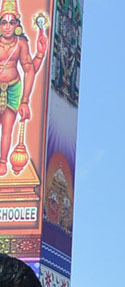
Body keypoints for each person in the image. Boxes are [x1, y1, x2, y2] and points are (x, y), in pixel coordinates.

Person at [0, 0, 46, 176]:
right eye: (4, 22)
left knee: (8, 126)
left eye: (12, 22)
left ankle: (3, 162)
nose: (7, 27)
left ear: (17, 24)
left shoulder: (21, 44)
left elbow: (29, 70)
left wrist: (40, 54)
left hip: (13, 88)